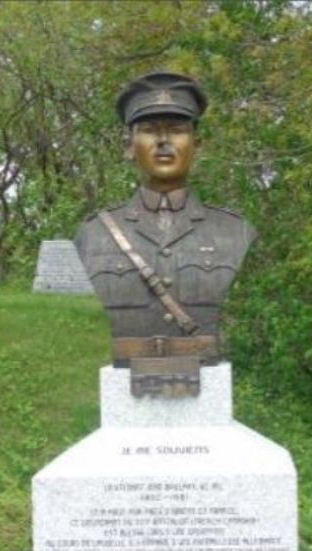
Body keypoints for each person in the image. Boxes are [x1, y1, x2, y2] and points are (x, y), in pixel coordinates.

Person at [75, 72, 255, 397]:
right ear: (129, 146)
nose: (163, 141)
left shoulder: (235, 231)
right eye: (148, 130)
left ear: (196, 145)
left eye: (176, 130)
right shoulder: (93, 234)